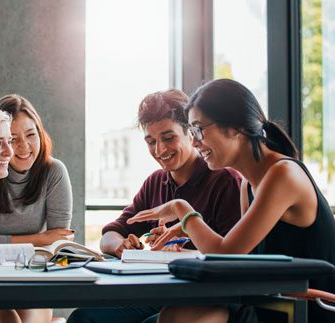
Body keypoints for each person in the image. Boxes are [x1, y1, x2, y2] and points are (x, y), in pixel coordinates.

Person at [128, 79, 335, 323]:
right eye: (192, 132)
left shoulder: (282, 175)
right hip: (271, 301)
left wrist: (181, 210)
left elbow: (225, 253)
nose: (194, 142)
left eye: (199, 130)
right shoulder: (248, 183)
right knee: (173, 315)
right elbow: (239, 261)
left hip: (307, 308)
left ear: (236, 127)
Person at [68, 89, 242, 323]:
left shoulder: (224, 180)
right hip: (159, 294)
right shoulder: (156, 182)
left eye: (168, 138)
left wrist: (183, 249)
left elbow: (232, 258)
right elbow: (110, 234)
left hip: (205, 298)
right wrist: (121, 246)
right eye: (151, 141)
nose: (159, 150)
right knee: (83, 318)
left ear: (190, 133)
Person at [0, 94, 73, 323]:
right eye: (13, 139)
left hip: (32, 278)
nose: (24, 147)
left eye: (31, 135)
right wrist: (40, 238)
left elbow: (59, 243)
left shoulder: (54, 171)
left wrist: (43, 242)